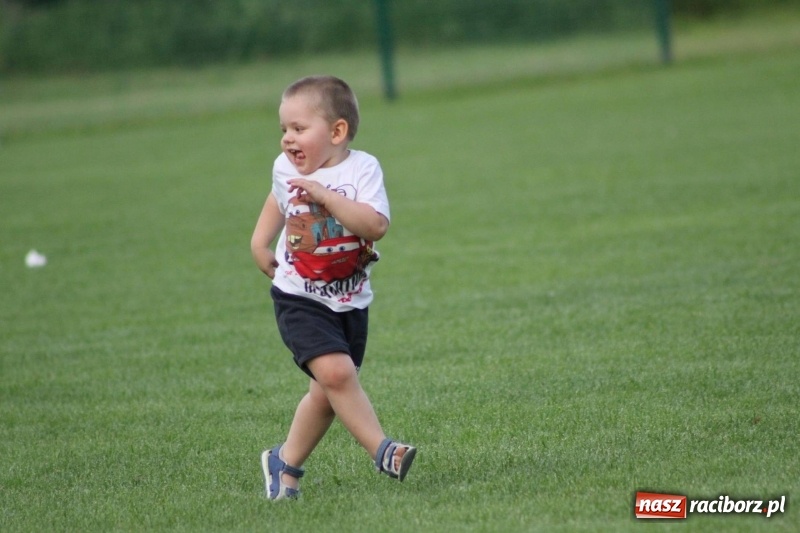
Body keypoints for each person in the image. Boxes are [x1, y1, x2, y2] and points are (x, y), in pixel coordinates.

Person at [251, 75, 416, 500]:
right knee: (338, 374)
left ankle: (283, 463)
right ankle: (383, 450)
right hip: (298, 296)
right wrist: (258, 241)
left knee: (327, 394)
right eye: (284, 129)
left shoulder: (363, 169)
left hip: (350, 301)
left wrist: (326, 196)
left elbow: (375, 226)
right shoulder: (285, 167)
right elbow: (278, 198)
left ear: (337, 131)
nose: (288, 139)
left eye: (299, 128)